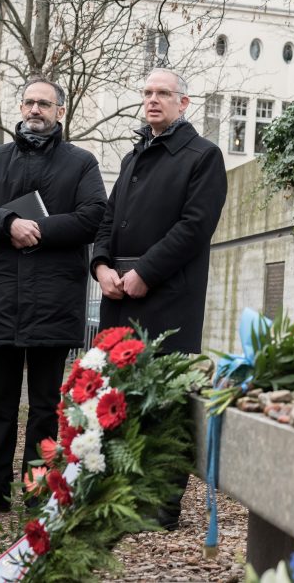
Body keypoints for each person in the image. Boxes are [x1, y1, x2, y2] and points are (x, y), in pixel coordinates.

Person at [0, 76, 106, 516]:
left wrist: (36, 229)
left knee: (43, 407)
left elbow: (93, 216)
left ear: (60, 111)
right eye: (29, 102)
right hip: (1, 302)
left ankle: (37, 492)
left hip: (54, 304)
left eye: (45, 103)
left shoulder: (81, 163)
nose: (35, 110)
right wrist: (7, 224)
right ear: (20, 109)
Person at [91, 67, 227, 528]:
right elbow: (108, 221)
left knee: (167, 401)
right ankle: (124, 491)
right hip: (119, 295)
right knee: (122, 396)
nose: (153, 100)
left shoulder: (203, 156)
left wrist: (145, 272)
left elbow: (195, 226)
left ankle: (165, 502)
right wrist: (101, 266)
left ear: (183, 103)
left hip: (167, 295)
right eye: (147, 93)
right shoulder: (133, 157)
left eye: (163, 93)